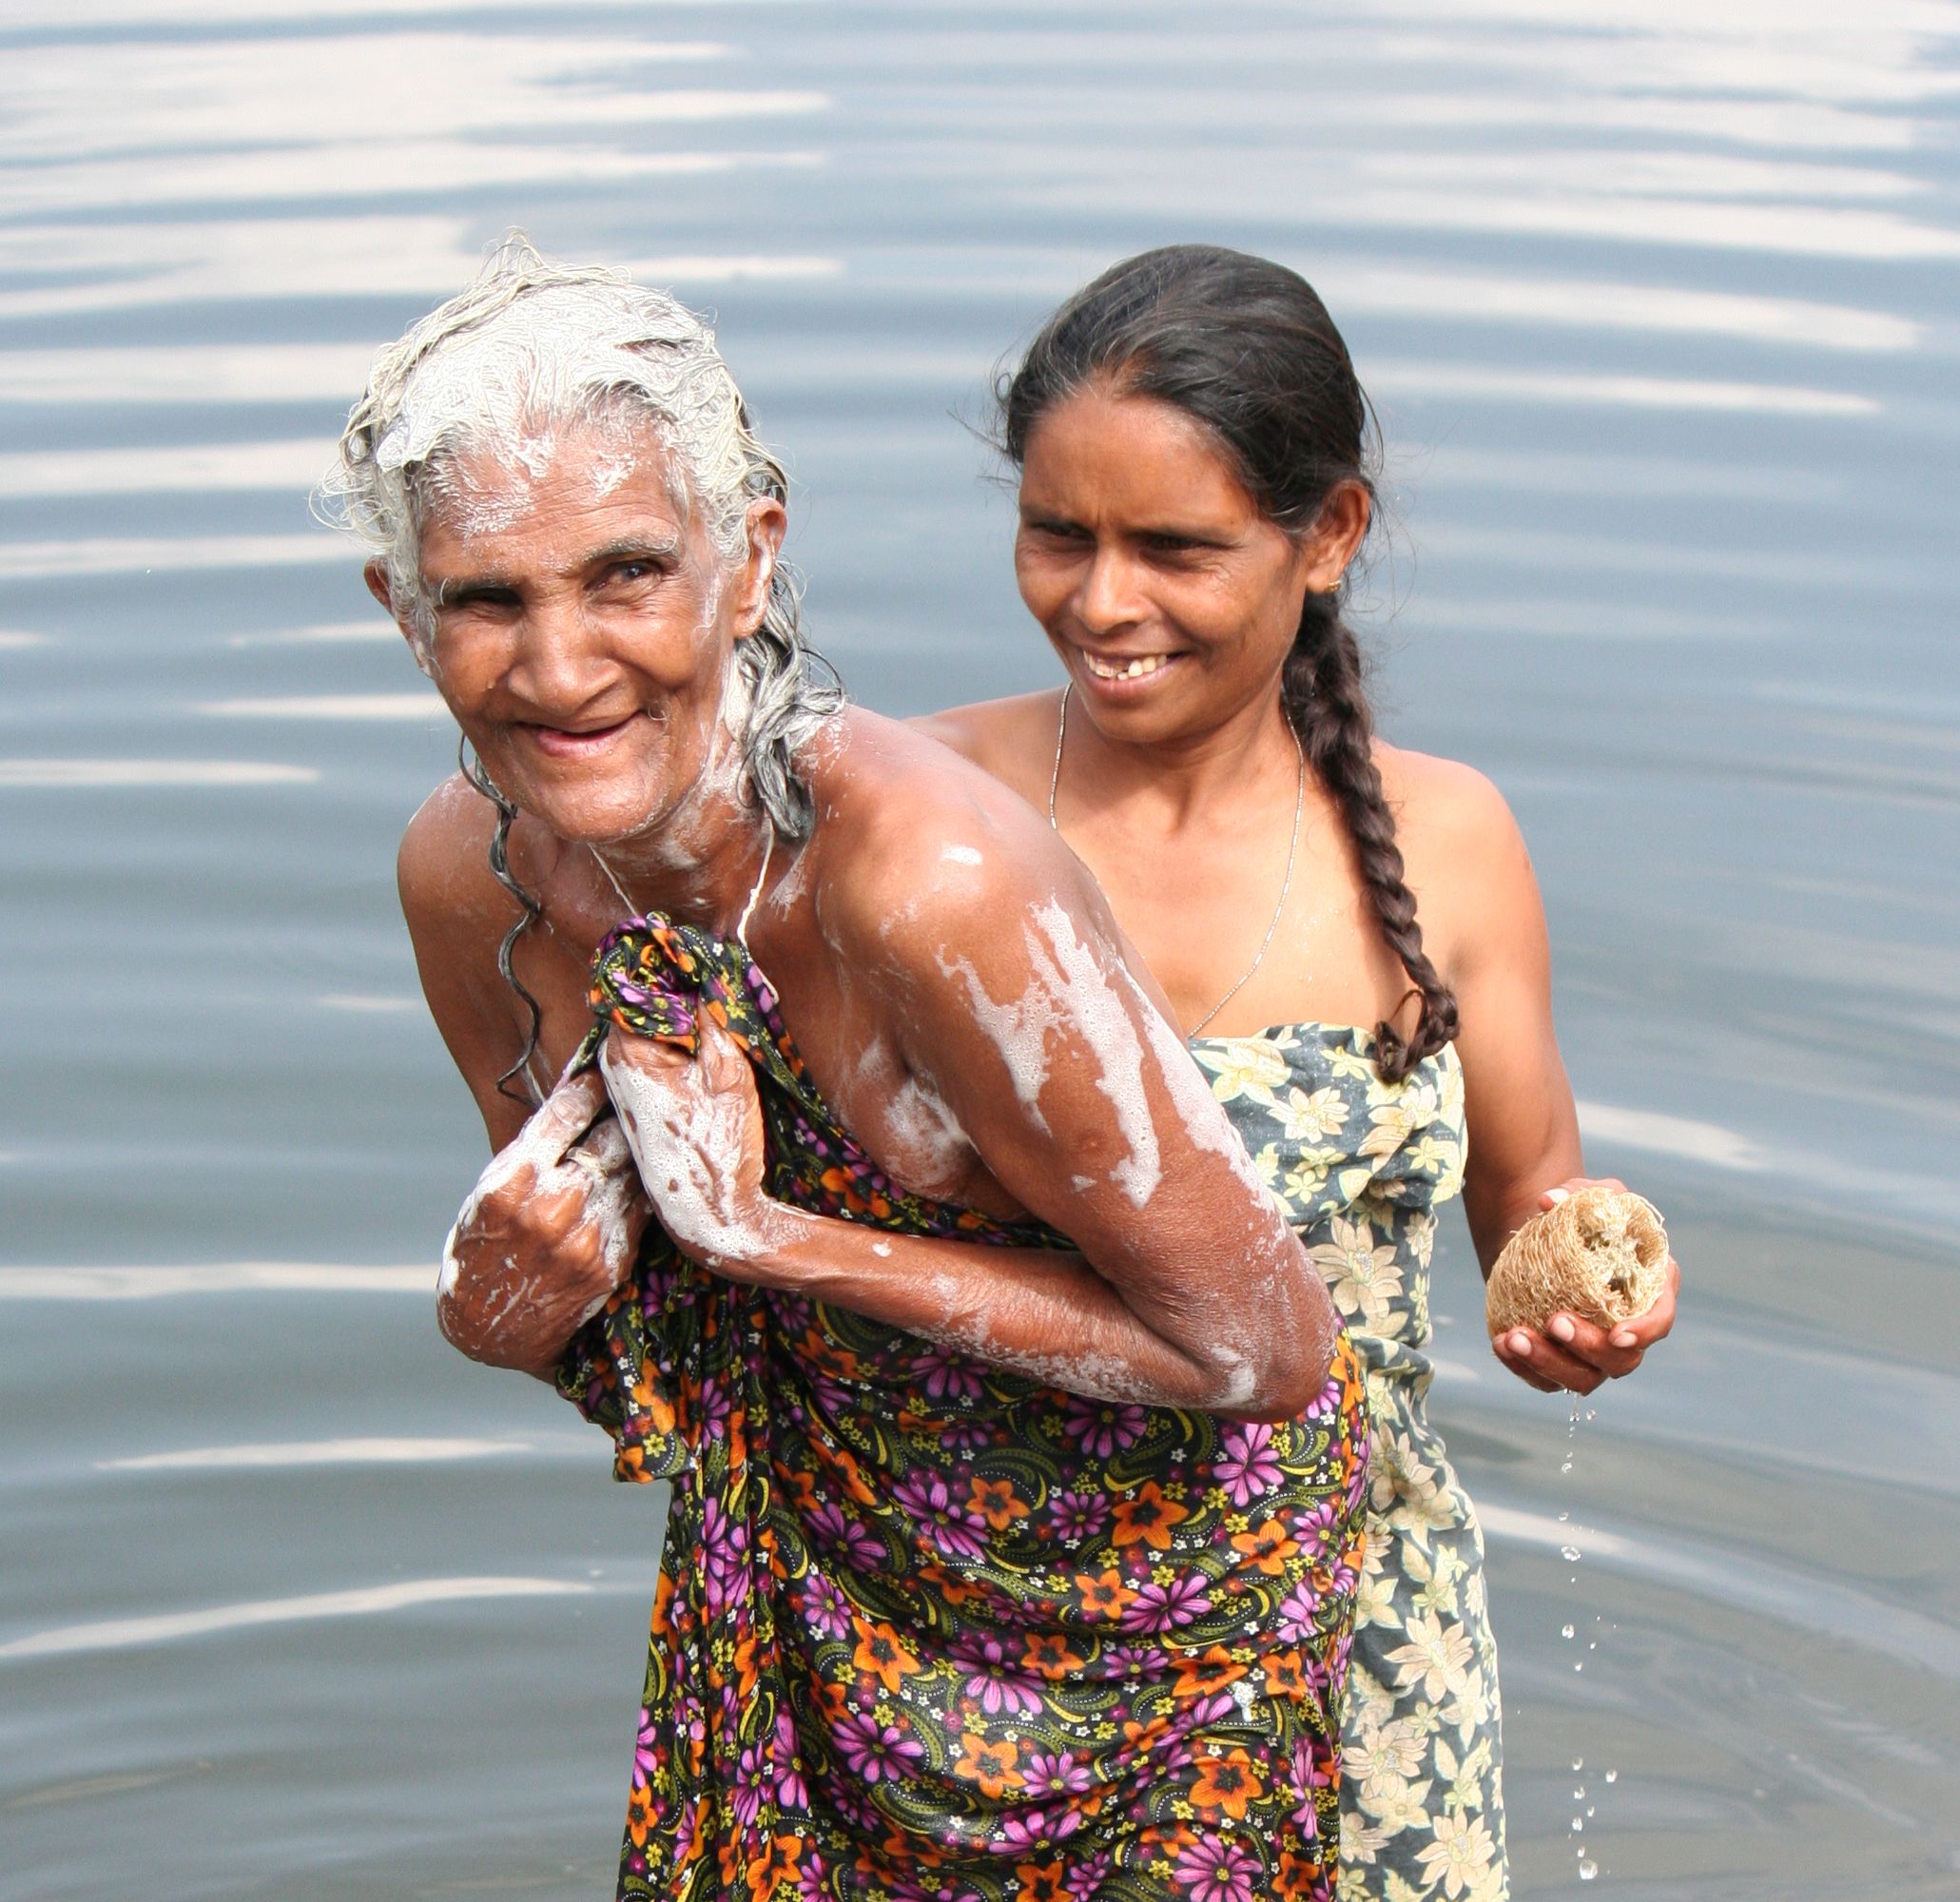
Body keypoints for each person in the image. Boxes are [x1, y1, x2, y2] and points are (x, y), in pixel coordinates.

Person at [457, 244, 1681, 1902]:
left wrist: (1583, 1286)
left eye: (1174, 549)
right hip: (936, 1627)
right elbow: (667, 1272)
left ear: (1327, 536)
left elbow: (1526, 1194)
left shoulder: (1444, 840)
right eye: (1058, 535)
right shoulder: (902, 826)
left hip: (1327, 1613)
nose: (1103, 604)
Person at [329, 238, 1372, 1902]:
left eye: (625, 576)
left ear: (747, 563)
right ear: (404, 611)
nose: (562, 668)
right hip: (807, 1586)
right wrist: (501, 1315)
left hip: (1161, 1628)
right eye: (486, 600)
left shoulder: (929, 881)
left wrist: (768, 1237)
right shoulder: (471, 878)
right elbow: (648, 1357)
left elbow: (1260, 1348)